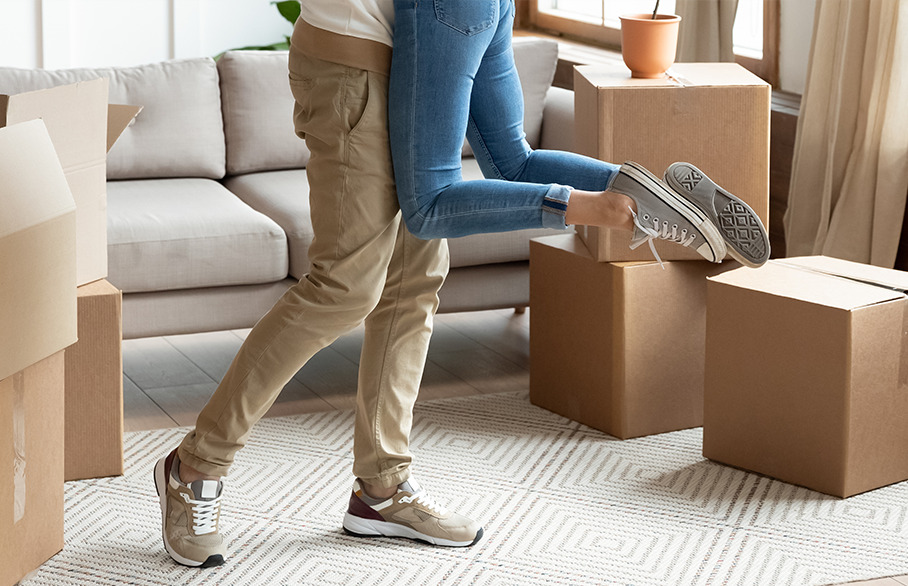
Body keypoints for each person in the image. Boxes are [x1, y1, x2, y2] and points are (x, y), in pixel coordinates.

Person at [153, 2, 483, 569]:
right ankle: (197, 465)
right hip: (353, 59)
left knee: (415, 278)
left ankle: (381, 488)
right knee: (346, 286)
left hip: (427, 65)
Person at [387, 0, 770, 268]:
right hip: (489, 7)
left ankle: (609, 207)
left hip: (441, 11)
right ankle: (652, 193)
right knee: (515, 165)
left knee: (427, 207)